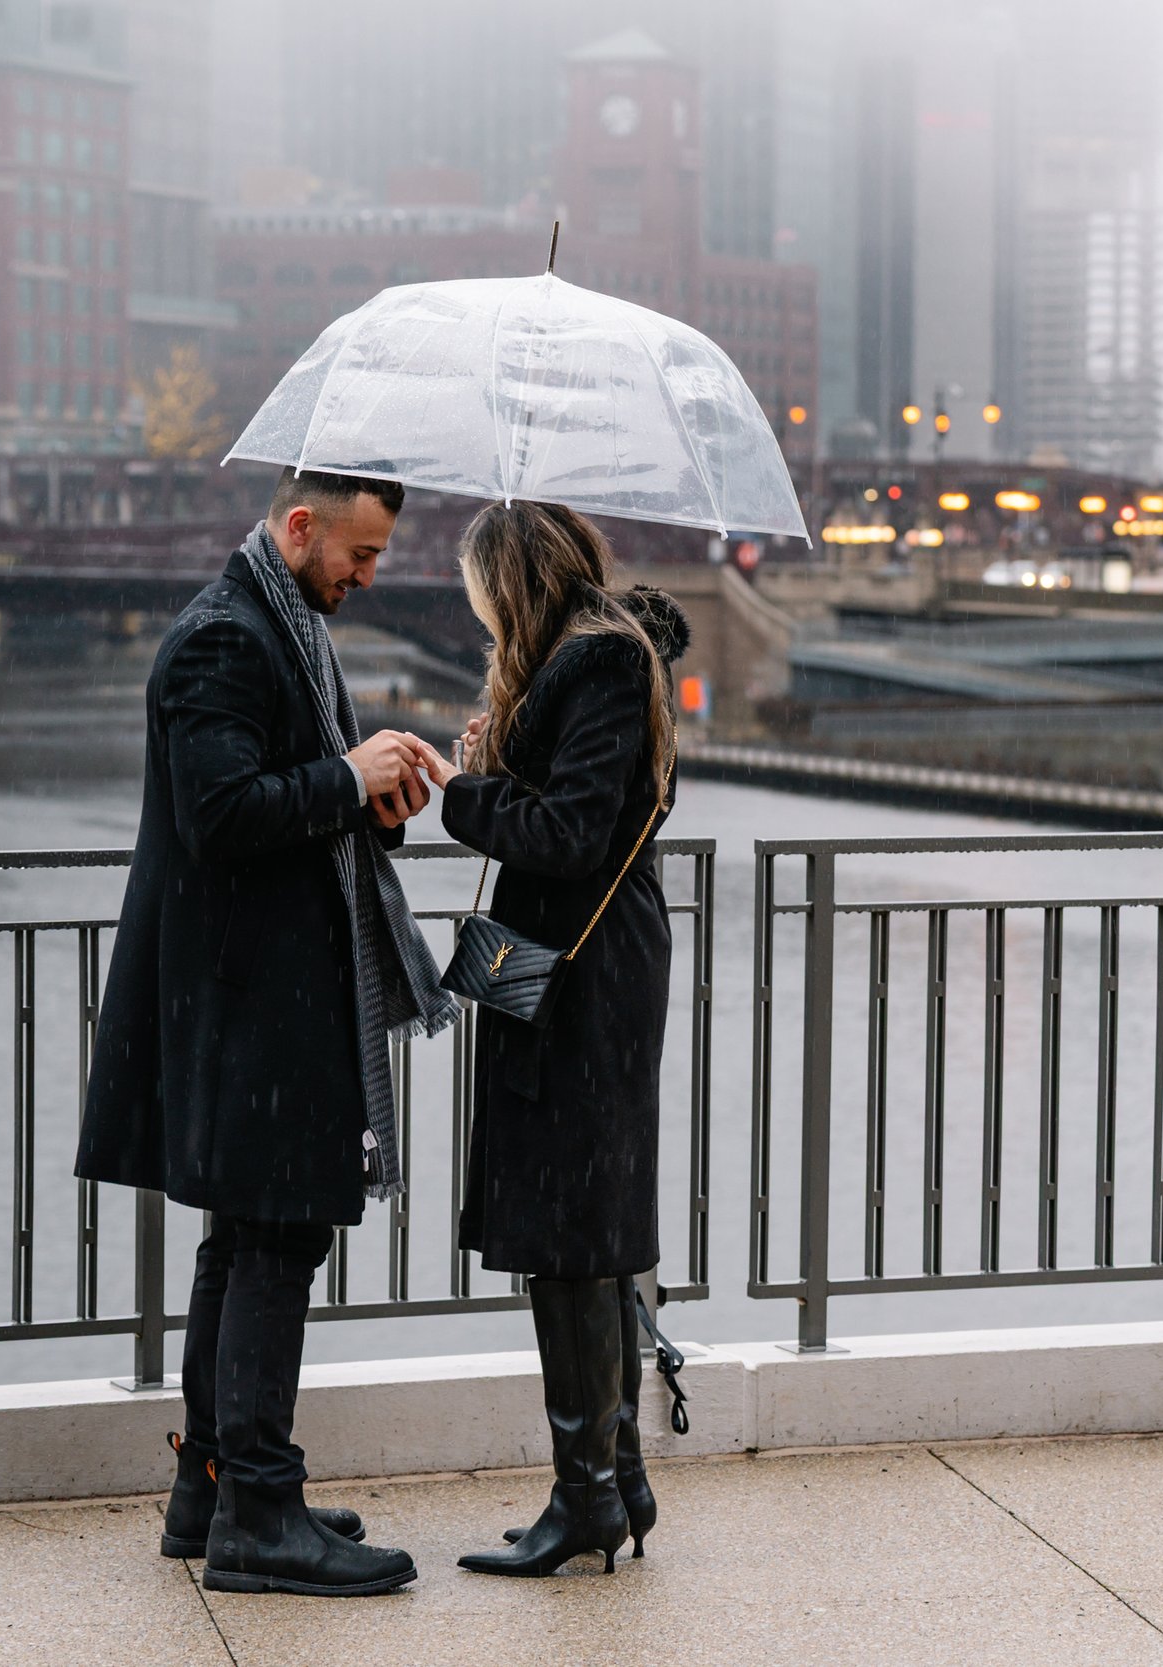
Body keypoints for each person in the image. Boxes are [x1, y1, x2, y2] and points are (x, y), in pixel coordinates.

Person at [74, 467, 458, 1598]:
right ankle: (259, 1511)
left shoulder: (275, 622)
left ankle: (215, 1487)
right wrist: (346, 770)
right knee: (276, 1237)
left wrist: (365, 799)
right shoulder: (225, 639)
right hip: (254, 1000)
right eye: (361, 551)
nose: (370, 572)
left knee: (245, 1238)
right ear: (302, 527)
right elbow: (221, 814)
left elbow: (276, 804)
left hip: (261, 989)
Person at [420, 501, 687, 1577]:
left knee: (575, 1231)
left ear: (511, 578)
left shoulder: (597, 667)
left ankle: (587, 1495)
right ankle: (614, 1478)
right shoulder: (605, 664)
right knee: (587, 1224)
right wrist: (506, 755)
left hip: (582, 978)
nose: (480, 614)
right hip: (591, 970)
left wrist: (469, 795)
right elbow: (606, 808)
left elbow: (574, 835)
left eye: (483, 593)